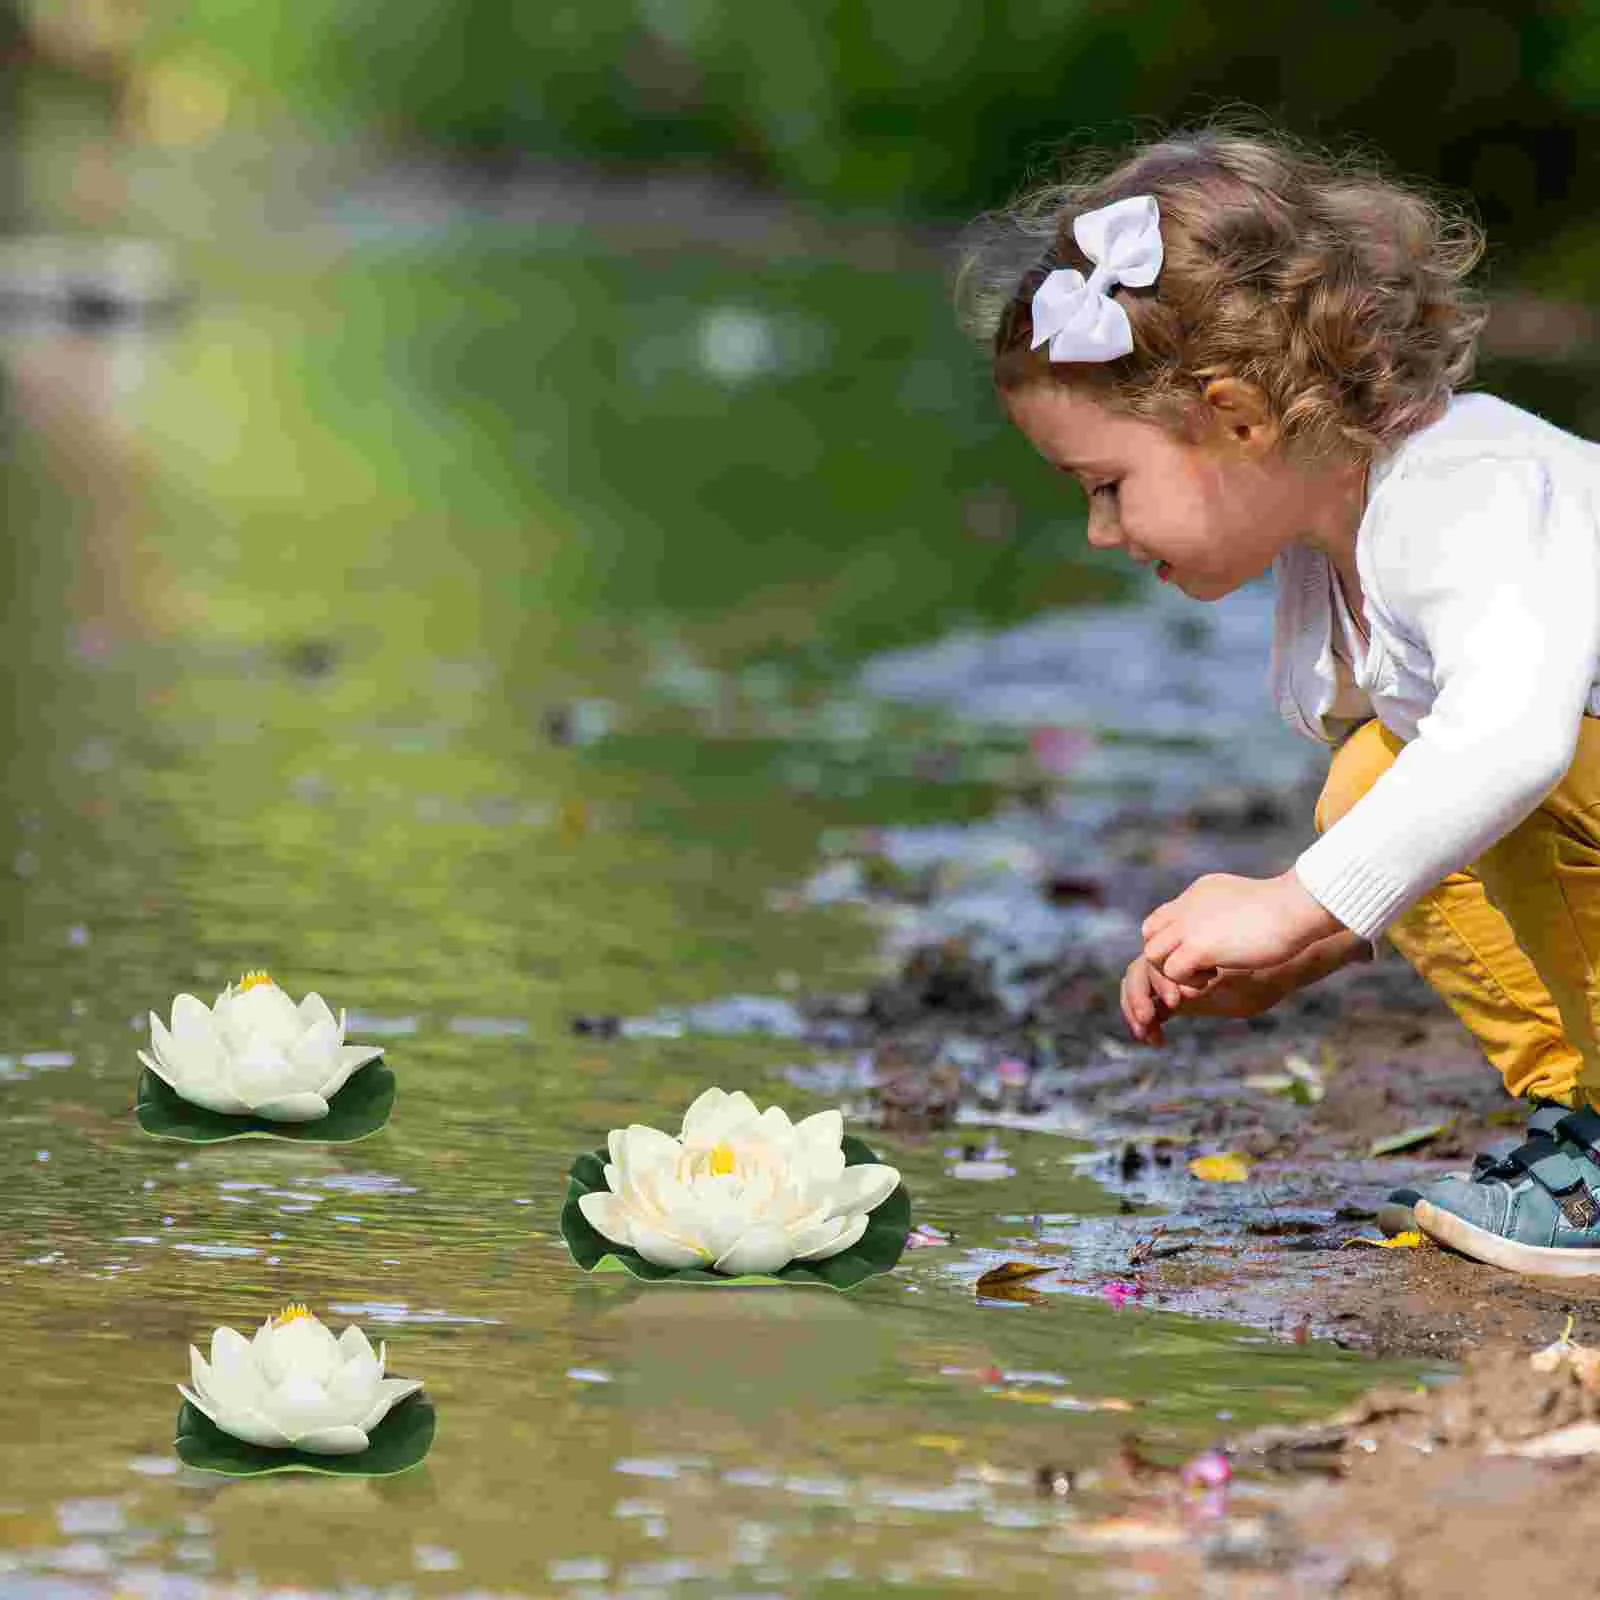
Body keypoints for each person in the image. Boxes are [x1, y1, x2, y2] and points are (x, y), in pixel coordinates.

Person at [958, 123, 1600, 1276]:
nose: (1102, 531)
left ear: (1239, 417)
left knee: (1432, 775)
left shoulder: (1466, 493)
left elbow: (1512, 740)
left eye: (1108, 487)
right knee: (1371, 785)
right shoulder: (1337, 555)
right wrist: (1318, 939)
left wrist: (1299, 903)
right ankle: (1581, 1118)